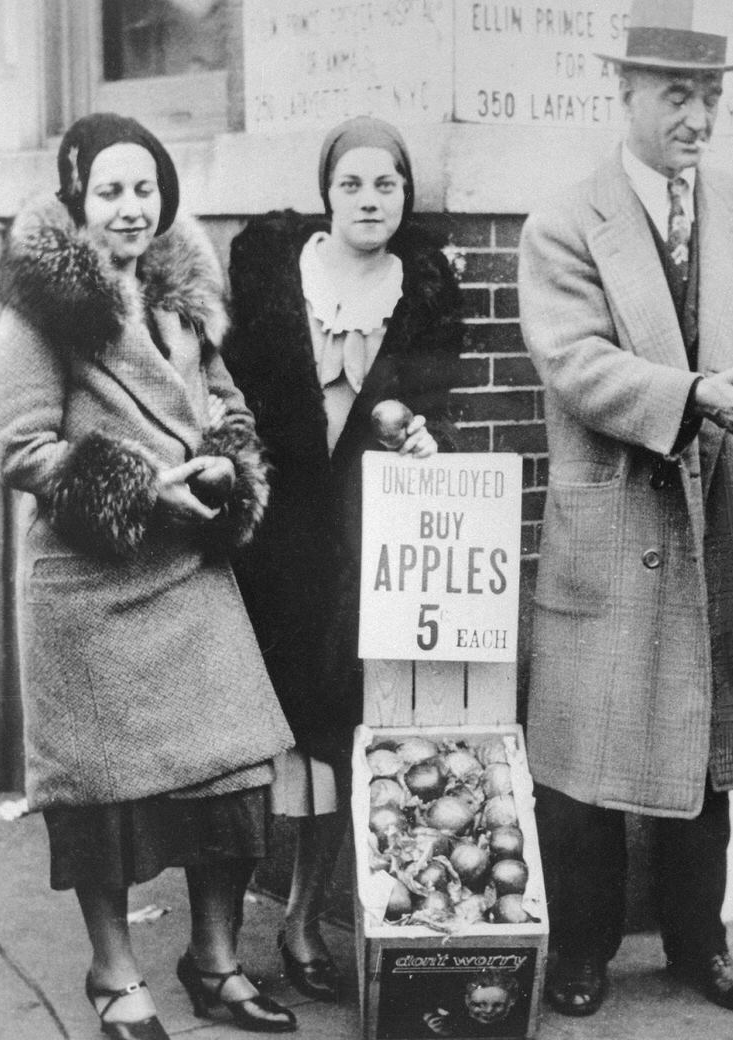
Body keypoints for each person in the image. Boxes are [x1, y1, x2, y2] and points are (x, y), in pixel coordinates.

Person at [517, 0, 733, 1019]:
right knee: (582, 756)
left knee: (706, 746)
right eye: (677, 96)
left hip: (718, 512)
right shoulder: (564, 220)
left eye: (711, 97)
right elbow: (573, 364)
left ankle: (701, 942)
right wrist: (689, 394)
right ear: (627, 96)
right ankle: (581, 946)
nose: (697, 117)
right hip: (614, 515)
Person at [0, 114, 297, 1038]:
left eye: (146, 189)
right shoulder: (39, 313)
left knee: (233, 778)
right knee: (105, 802)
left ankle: (214, 962)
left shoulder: (183, 299)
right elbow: (23, 451)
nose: (131, 208)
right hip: (92, 590)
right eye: (111, 191)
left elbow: (227, 405)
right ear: (77, 198)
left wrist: (223, 467)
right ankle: (115, 975)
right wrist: (138, 485)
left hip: (189, 577)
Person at [222, 115, 464, 1001]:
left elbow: (431, 413)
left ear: (406, 195)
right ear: (328, 192)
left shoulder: (425, 294)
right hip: (269, 537)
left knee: (336, 729)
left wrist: (419, 441)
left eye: (388, 185)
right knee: (255, 731)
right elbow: (224, 387)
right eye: (354, 184)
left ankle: (302, 920)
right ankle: (221, 930)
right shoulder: (273, 274)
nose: (371, 200)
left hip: (359, 544)